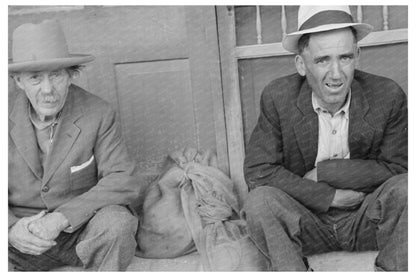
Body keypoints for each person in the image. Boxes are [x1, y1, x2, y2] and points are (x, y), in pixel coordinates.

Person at [242, 6, 407, 271]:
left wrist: (325, 172)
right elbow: (258, 172)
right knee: (260, 201)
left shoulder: (387, 95)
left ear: (357, 56)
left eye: (345, 58)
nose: (336, 74)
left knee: (408, 189)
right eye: (322, 60)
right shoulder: (278, 97)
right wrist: (327, 196)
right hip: (307, 223)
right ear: (301, 64)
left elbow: (400, 168)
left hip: (367, 218)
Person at [8, 19, 140, 271]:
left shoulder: (97, 112)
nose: (48, 89)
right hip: (21, 237)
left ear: (70, 75)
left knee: (118, 226)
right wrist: (11, 229)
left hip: (81, 229)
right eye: (35, 78)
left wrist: (61, 218)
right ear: (18, 82)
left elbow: (124, 179)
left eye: (56, 75)